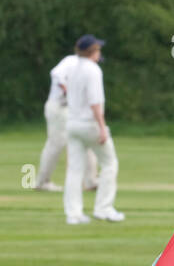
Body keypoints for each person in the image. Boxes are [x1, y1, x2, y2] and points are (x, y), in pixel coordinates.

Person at [63, 34, 124, 224]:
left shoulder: (72, 67)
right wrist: (102, 128)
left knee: (75, 169)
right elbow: (95, 102)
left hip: (72, 123)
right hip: (89, 124)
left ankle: (73, 214)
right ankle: (103, 209)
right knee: (109, 163)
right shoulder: (93, 70)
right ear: (92, 51)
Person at [34, 47, 97, 193]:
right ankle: (42, 182)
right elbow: (56, 74)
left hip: (72, 109)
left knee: (85, 140)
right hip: (59, 107)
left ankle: (91, 181)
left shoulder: (90, 69)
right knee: (57, 144)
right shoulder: (71, 61)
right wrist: (68, 91)